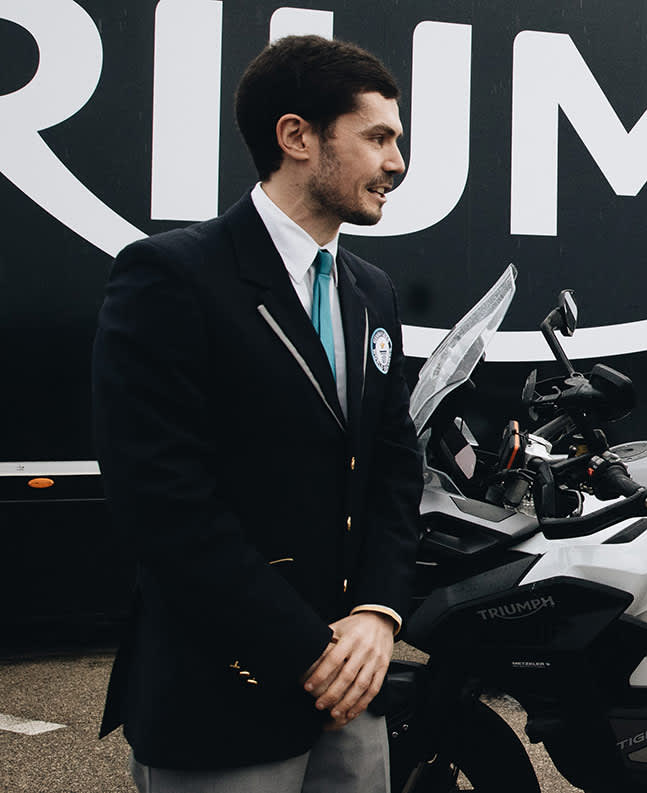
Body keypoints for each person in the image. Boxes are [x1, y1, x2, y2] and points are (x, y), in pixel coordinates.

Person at [93, 35, 421, 793]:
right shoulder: (169, 277)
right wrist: (307, 648)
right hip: (222, 704)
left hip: (352, 698)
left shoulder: (373, 293)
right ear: (298, 136)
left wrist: (376, 615)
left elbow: (395, 468)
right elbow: (163, 507)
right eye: (378, 137)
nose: (397, 163)